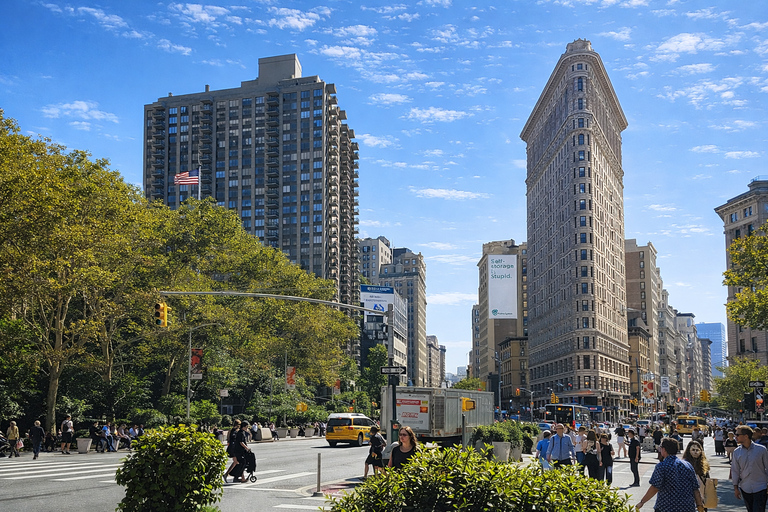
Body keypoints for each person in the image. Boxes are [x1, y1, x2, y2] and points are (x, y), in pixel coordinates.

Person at [636, 438, 704, 512]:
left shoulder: (662, 466)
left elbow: (655, 487)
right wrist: (699, 505)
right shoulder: (688, 465)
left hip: (666, 507)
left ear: (664, 449)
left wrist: (642, 502)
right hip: (687, 507)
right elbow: (695, 488)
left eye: (660, 447)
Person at [731, 425, 768, 512]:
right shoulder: (736, 452)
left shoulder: (761, 450)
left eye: (737, 435)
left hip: (760, 487)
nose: (735, 436)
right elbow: (735, 471)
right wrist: (736, 488)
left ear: (746, 436)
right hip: (745, 487)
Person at [683, 440, 711, 511]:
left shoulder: (703, 463)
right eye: (693, 450)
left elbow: (707, 480)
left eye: (697, 450)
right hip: (688, 495)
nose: (695, 452)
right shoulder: (684, 463)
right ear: (689, 451)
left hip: (702, 494)